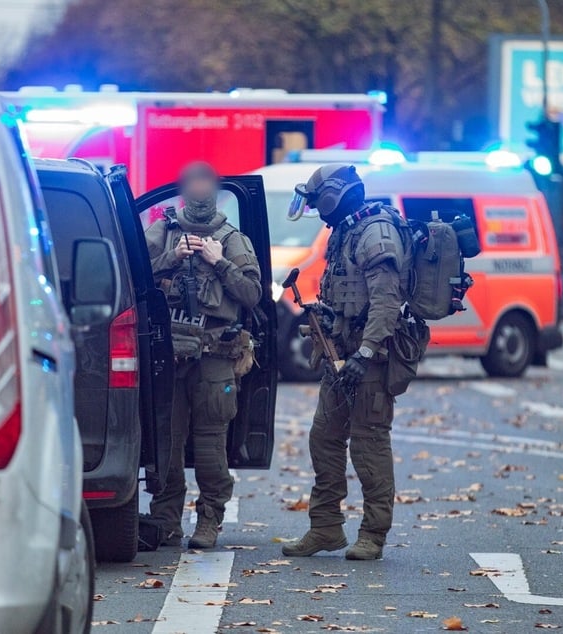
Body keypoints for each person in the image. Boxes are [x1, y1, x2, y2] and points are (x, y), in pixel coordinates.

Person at [281, 164, 412, 560]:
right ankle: (325, 529)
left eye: (317, 201)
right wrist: (324, 315)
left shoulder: (375, 233)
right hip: (339, 356)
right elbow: (347, 293)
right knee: (324, 438)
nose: (316, 210)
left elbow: (387, 303)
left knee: (369, 445)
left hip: (369, 361)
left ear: (333, 197)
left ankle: (373, 534)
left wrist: (366, 352)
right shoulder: (344, 231)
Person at [144, 161, 261, 549]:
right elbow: (133, 278)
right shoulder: (162, 231)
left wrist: (219, 261)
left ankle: (209, 519)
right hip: (169, 357)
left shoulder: (232, 239)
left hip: (214, 358)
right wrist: (171, 258)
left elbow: (252, 295)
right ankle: (165, 519)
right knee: (168, 442)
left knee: (211, 445)